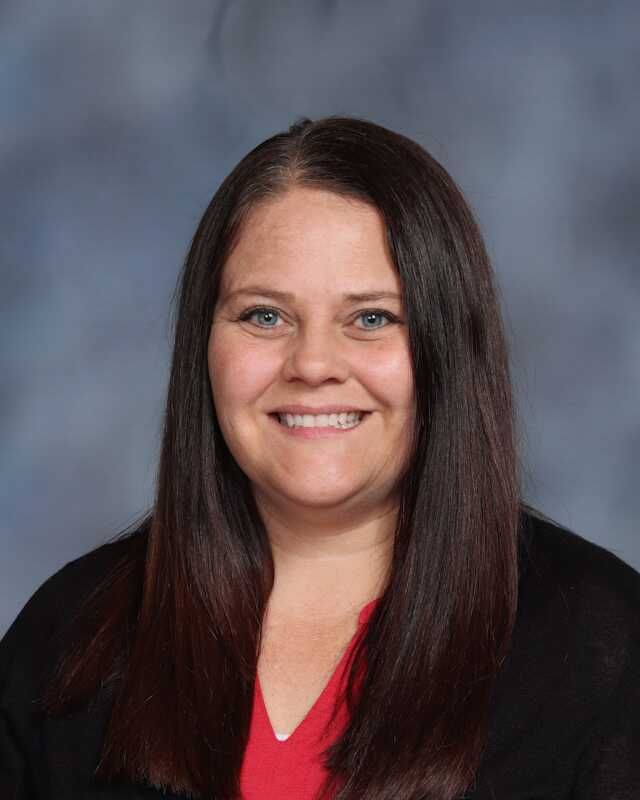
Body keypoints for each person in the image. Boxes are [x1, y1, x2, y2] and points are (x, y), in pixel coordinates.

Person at [1, 116, 638, 800]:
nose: (311, 364)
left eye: (371, 318)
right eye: (264, 316)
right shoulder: (71, 636)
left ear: (447, 348)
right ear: (203, 345)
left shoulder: (599, 647)